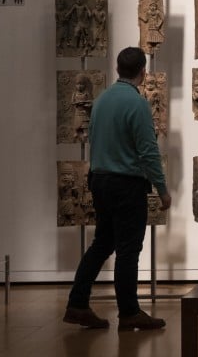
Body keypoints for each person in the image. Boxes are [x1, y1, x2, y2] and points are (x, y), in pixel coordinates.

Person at [65, 47, 170, 331]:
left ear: (117, 68)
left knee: (102, 244)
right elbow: (148, 151)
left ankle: (77, 303)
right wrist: (162, 189)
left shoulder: (101, 100)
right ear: (143, 72)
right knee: (127, 249)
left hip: (100, 180)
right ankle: (129, 311)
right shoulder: (137, 104)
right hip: (126, 184)